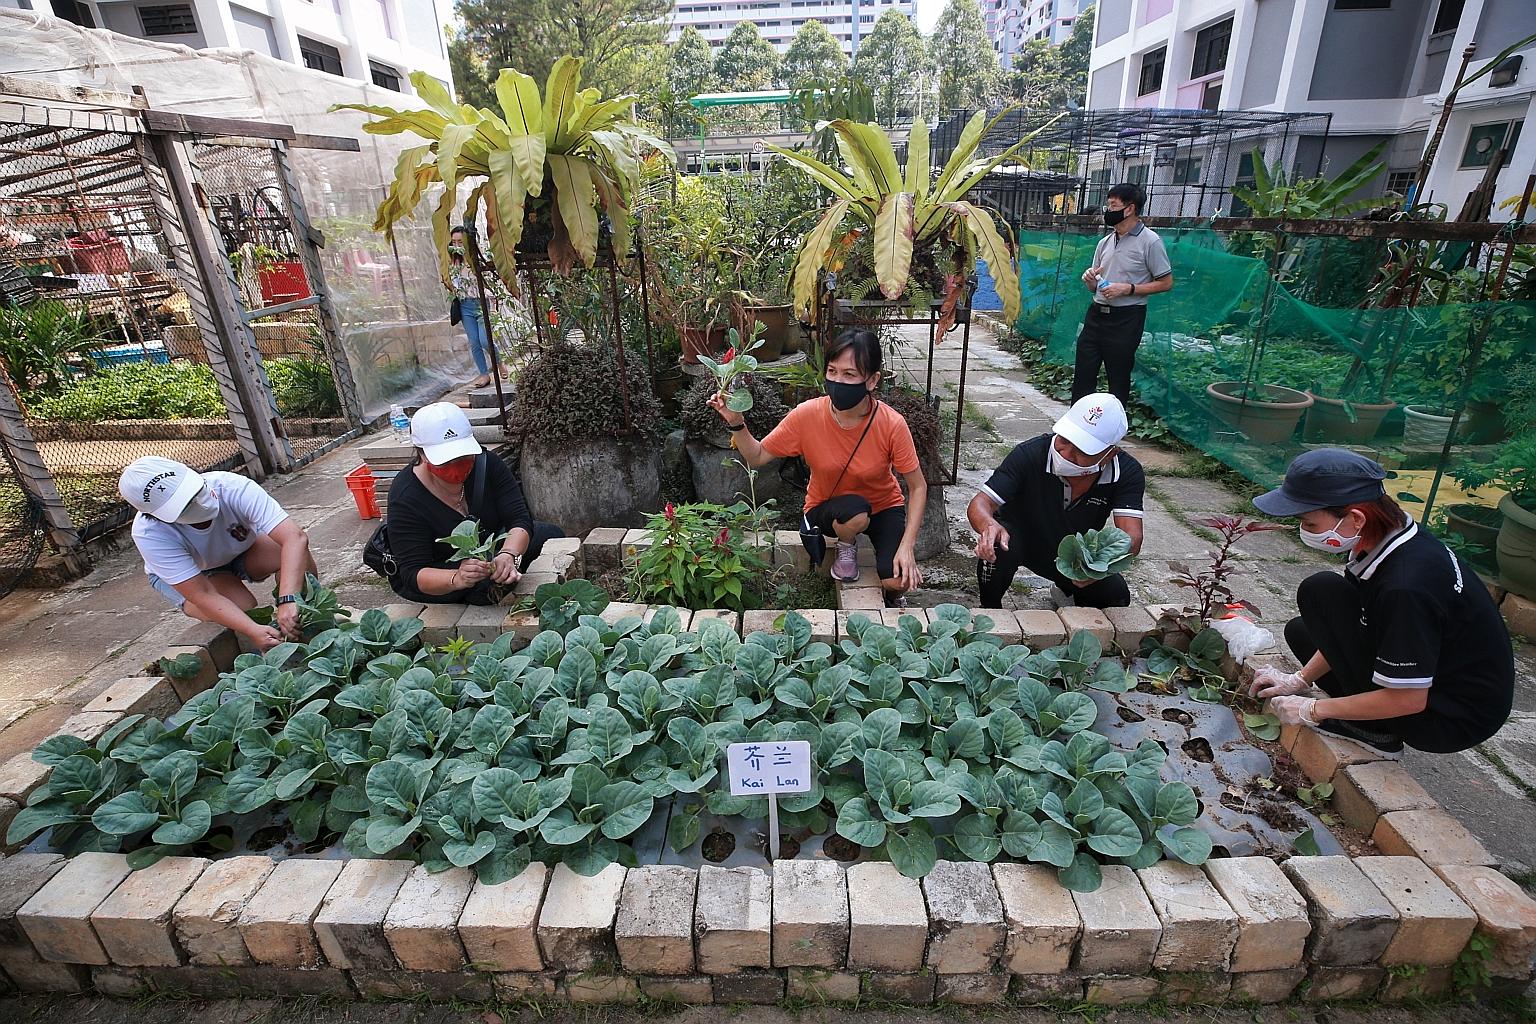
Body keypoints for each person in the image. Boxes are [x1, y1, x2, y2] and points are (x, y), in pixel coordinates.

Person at [1249, 449, 1514, 754]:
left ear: (1355, 518)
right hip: (1438, 674)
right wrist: (1297, 680)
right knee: (1307, 621)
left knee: (1320, 592)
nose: (1303, 531)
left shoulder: (1405, 587)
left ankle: (1377, 732)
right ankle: (1367, 710)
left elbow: (1408, 699)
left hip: (1447, 718)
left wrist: (1313, 709)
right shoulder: (1387, 536)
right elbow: (1360, 620)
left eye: (1309, 523)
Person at [710, 329, 925, 606]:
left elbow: (918, 486)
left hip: (883, 504)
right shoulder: (807, 415)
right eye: (832, 371)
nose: (837, 381)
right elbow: (758, 456)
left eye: (849, 375)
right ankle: (846, 546)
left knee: (897, 579)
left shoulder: (892, 424)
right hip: (829, 507)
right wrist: (736, 422)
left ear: (872, 380)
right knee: (856, 512)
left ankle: (894, 598)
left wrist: (907, 547)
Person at [120, 456, 315, 652]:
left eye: (193, 491)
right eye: (182, 506)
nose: (197, 504)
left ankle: (305, 620)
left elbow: (294, 538)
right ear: (156, 516)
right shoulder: (150, 534)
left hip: (241, 550)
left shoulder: (231, 486)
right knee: (241, 612)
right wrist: (251, 629)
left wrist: (288, 600)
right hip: (197, 574)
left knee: (294, 557)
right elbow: (202, 593)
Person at [967, 393, 1144, 609]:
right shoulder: (1030, 454)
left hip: (1073, 553)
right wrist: (989, 525)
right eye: (1064, 439)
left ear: (1109, 454)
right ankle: (990, 609)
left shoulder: (1126, 472)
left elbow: (1131, 537)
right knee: (996, 544)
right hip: (1019, 540)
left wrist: (1099, 569)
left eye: (1082, 450)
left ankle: (1067, 590)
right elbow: (980, 503)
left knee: (1115, 597)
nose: (1067, 453)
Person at [385, 401, 564, 605]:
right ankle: (481, 588)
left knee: (551, 535)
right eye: (445, 462)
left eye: (463, 458)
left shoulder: (487, 465)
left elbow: (519, 519)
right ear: (422, 454)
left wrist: (508, 555)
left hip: (491, 549)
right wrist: (458, 578)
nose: (456, 467)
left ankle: (506, 572)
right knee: (484, 586)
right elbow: (413, 572)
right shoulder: (406, 497)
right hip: (443, 570)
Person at [1075, 183, 1173, 406]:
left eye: (1113, 205)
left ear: (1129, 209)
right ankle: (1074, 433)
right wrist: (1090, 280)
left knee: (1118, 378)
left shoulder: (1150, 241)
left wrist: (1128, 288)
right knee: (1083, 374)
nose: (1108, 210)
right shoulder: (1105, 242)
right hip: (1096, 315)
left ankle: (1112, 432)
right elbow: (1095, 286)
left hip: (1126, 318)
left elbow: (1166, 282)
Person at [448, 226, 500, 388]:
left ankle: (499, 363)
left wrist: (492, 306)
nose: (457, 246)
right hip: (465, 306)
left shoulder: (479, 260)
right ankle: (484, 375)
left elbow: (491, 284)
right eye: (454, 242)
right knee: (474, 342)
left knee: (485, 340)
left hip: (481, 303)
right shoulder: (452, 262)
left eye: (460, 242)